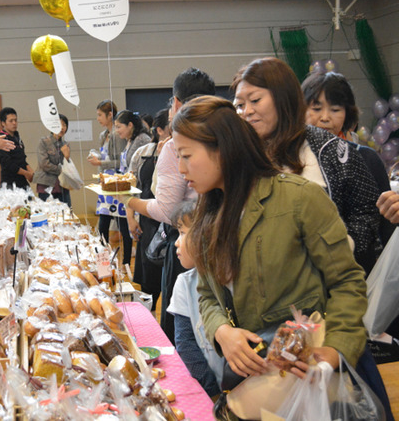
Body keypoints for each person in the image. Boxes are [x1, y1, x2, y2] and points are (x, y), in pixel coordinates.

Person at [174, 95, 368, 380]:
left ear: (223, 149)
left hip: (307, 374)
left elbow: (347, 282)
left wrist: (335, 350)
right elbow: (206, 293)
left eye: (186, 155)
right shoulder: (209, 214)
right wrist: (222, 332)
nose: (180, 168)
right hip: (254, 378)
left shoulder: (299, 199)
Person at [232, 57, 382, 275]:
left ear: (284, 99)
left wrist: (340, 252)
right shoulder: (236, 155)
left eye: (255, 100)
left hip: (329, 283)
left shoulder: (331, 149)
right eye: (239, 105)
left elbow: (365, 211)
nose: (247, 111)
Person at [124, 68, 215, 343]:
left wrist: (128, 201)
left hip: (189, 238)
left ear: (175, 102)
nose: (184, 169)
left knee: (184, 324)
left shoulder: (175, 144)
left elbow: (167, 210)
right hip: (212, 236)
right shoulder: (213, 138)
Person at [301, 71, 395, 247]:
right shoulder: (289, 159)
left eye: (335, 110)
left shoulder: (366, 158)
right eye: (316, 109)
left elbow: (385, 222)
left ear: (347, 114)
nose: (325, 118)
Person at [167, 200, 223, 397]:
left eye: (182, 233)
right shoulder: (184, 283)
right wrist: (212, 391)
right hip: (211, 390)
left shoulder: (231, 280)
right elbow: (185, 343)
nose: (176, 241)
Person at [126, 108, 170, 309]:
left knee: (169, 283)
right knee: (148, 282)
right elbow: (130, 187)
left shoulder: (180, 152)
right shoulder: (142, 153)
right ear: (160, 130)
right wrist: (130, 218)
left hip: (170, 223)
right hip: (147, 221)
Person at [103, 110, 151, 267]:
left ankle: (128, 264)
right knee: (124, 227)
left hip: (136, 191)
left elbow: (137, 169)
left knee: (132, 229)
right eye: (115, 127)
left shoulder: (142, 140)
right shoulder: (130, 140)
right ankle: (125, 263)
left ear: (130, 125)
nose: (117, 131)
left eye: (119, 127)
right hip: (126, 188)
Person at [88, 100, 127, 255]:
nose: (98, 118)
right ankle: (103, 253)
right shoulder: (103, 135)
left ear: (110, 115)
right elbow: (104, 156)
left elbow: (121, 160)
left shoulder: (118, 135)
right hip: (105, 180)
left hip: (116, 180)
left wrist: (101, 162)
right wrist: (97, 159)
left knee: (119, 219)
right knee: (104, 219)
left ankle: (124, 254)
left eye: (100, 115)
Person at [32, 113, 71, 205]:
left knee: (66, 213)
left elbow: (68, 166)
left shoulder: (66, 144)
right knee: (48, 215)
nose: (62, 128)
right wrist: (61, 169)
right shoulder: (44, 142)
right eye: (59, 124)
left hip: (62, 185)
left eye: (64, 125)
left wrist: (67, 157)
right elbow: (45, 165)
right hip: (46, 185)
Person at [0, 107, 33, 190]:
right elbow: (7, 164)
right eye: (11, 121)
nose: (14, 123)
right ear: (3, 123)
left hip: (22, 182)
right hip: (9, 184)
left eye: (15, 120)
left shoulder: (17, 137)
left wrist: (30, 172)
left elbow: (22, 158)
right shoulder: (1, 140)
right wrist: (26, 173)